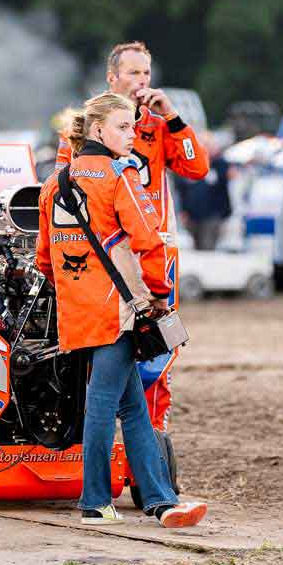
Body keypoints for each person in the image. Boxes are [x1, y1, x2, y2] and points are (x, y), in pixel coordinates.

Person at [37, 91, 207, 528]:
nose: (133, 135)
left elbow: (43, 258)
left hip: (79, 312)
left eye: (132, 126)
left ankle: (159, 500)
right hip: (119, 312)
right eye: (123, 126)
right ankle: (95, 501)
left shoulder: (54, 183)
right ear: (98, 131)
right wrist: (161, 296)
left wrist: (77, 292)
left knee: (131, 407)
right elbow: (148, 241)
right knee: (103, 405)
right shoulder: (121, 176)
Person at [56, 41, 209, 433]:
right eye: (133, 73)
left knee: (157, 353)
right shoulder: (84, 127)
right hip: (102, 257)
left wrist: (173, 116)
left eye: (146, 73)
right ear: (113, 78)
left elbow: (197, 166)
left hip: (152, 252)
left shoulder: (158, 127)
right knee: (103, 353)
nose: (142, 81)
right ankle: (94, 448)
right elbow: (62, 187)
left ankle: (150, 452)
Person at [175, 135, 232, 250]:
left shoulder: (220, 165)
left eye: (208, 145)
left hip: (212, 215)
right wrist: (182, 210)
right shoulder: (188, 163)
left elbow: (224, 187)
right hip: (192, 215)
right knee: (198, 247)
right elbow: (181, 190)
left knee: (207, 247)